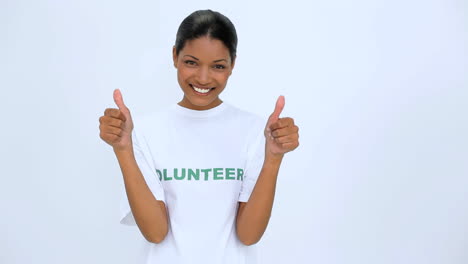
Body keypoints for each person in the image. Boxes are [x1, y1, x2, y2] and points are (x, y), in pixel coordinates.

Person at [99, 9, 299, 264]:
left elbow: (248, 235)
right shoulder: (145, 131)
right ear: (175, 56)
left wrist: (273, 158)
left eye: (218, 66)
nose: (203, 78)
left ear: (232, 65)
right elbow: (156, 232)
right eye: (191, 62)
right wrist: (123, 150)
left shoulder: (256, 131)